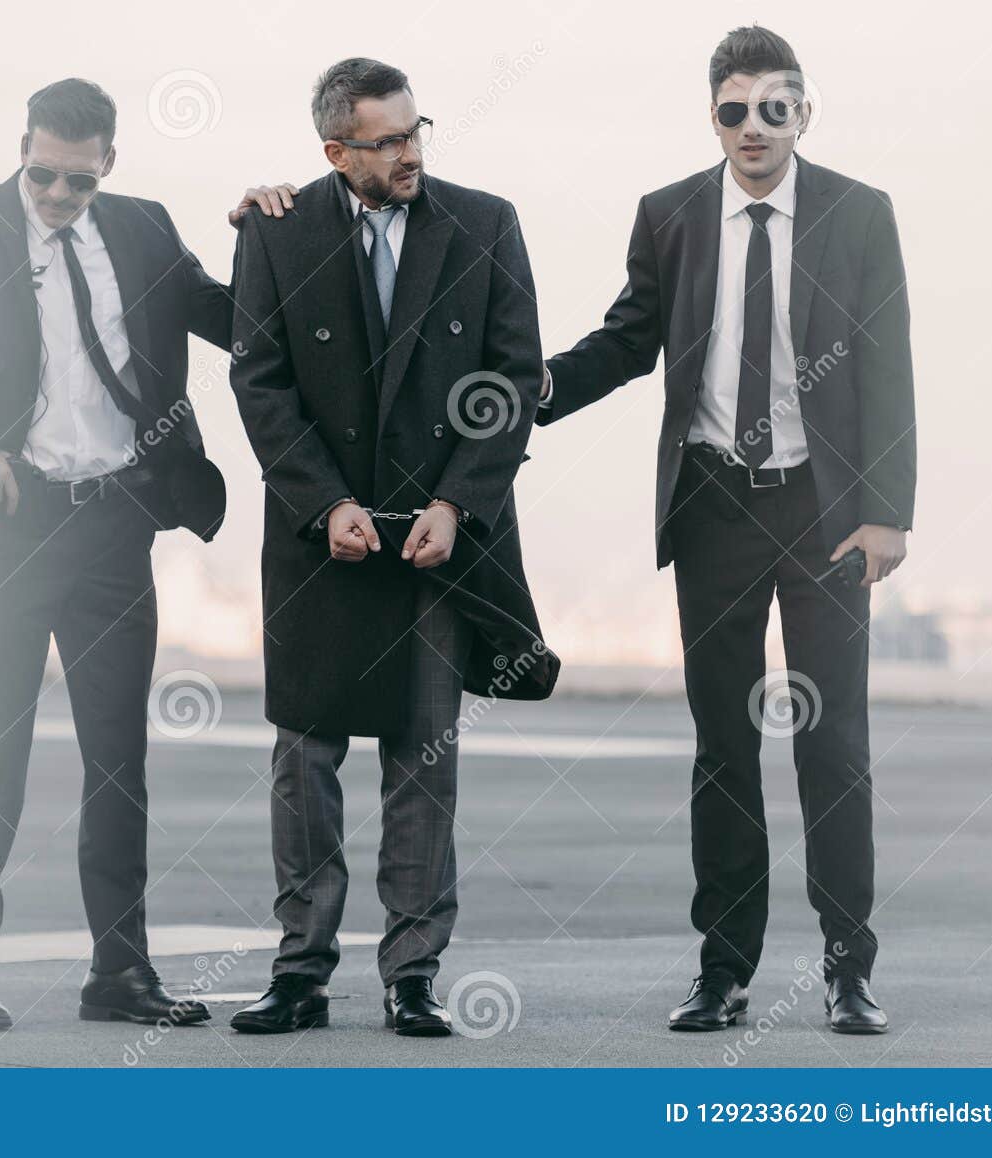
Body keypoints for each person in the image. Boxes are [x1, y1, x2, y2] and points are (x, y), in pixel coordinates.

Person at [0, 77, 295, 1030]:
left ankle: (119, 975)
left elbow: (237, 320)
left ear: (109, 165)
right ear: (23, 150)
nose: (55, 196)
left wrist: (267, 231)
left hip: (114, 523)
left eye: (75, 182)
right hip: (9, 525)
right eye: (41, 175)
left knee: (119, 758)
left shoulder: (142, 227)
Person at [537, 26, 915, 1034]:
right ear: (712, 117)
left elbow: (887, 368)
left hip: (824, 511)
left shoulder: (857, 213)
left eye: (773, 107)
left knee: (833, 744)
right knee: (722, 747)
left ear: (803, 111)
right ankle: (724, 970)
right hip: (713, 508)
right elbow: (627, 338)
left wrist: (888, 513)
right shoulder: (670, 215)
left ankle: (846, 965)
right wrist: (534, 386)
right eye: (733, 110)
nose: (753, 127)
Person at [226, 57, 559, 1038]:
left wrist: (459, 506)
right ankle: (300, 970)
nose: (411, 153)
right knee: (305, 760)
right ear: (336, 151)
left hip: (432, 542)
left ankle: (412, 972)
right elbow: (261, 380)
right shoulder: (277, 233)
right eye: (387, 141)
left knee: (424, 760)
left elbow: (512, 378)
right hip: (317, 541)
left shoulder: (483, 223)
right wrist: (322, 502)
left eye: (418, 132)